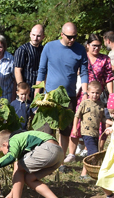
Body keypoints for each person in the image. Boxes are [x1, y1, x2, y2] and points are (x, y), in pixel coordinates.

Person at [36, 22, 88, 155]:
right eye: (69, 37)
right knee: (47, 130)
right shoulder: (49, 47)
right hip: (50, 97)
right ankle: (48, 158)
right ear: (62, 34)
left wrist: (86, 93)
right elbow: (42, 71)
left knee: (65, 129)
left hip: (68, 96)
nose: (72, 40)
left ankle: (61, 161)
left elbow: (84, 73)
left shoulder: (80, 49)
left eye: (74, 37)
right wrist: (37, 93)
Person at [64, 33, 114, 163]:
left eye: (98, 46)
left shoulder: (105, 59)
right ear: (88, 45)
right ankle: (71, 153)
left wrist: (111, 96)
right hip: (83, 94)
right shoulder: (82, 56)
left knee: (99, 122)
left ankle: (97, 153)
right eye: (93, 46)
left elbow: (109, 78)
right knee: (78, 122)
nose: (96, 48)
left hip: (98, 96)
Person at [0, 130, 66, 198]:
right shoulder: (22, 140)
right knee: (29, 178)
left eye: (1, 150)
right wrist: (13, 192)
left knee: (18, 166)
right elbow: (18, 173)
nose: (3, 154)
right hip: (59, 154)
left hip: (48, 149)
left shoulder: (14, 139)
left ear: (5, 144)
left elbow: (11, 157)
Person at [72, 81, 105, 179]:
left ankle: (84, 173)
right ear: (88, 92)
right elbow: (77, 116)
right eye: (93, 92)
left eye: (97, 93)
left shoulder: (101, 105)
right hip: (86, 132)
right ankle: (87, 173)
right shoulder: (85, 103)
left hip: (95, 133)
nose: (95, 95)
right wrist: (75, 128)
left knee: (92, 153)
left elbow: (102, 118)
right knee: (93, 152)